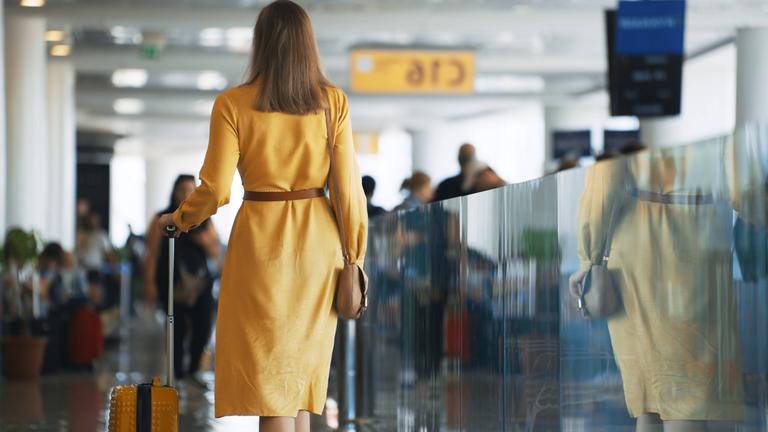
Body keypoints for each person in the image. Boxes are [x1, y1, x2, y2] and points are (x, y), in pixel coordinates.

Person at [157, 2, 368, 430]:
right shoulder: (333, 103)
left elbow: (216, 190)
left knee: (273, 389)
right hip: (319, 248)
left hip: (260, 243)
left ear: (261, 44)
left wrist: (180, 219)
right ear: (308, 46)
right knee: (302, 390)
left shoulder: (232, 103)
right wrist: (354, 255)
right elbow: (348, 191)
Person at [144, 174, 220, 387]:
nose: (186, 194)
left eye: (191, 190)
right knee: (175, 329)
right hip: (171, 281)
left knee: (203, 326)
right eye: (182, 190)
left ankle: (194, 368)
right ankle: (176, 374)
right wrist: (149, 284)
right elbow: (152, 253)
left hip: (200, 284)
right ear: (174, 192)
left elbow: (215, 251)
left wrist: (204, 242)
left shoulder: (204, 219)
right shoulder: (163, 218)